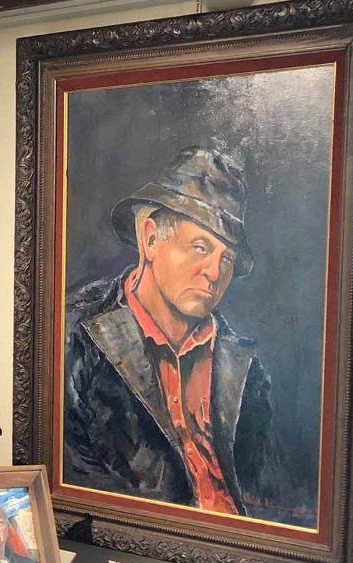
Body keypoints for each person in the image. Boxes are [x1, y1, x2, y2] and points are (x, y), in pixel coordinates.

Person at [64, 146, 287, 522]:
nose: (214, 274)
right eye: (200, 247)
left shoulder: (246, 369)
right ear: (150, 239)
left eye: (226, 259)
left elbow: (268, 493)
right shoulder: (77, 335)